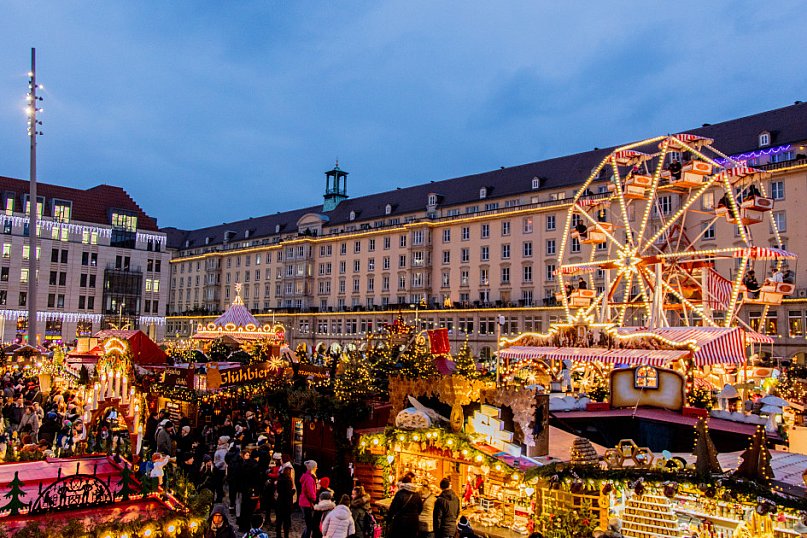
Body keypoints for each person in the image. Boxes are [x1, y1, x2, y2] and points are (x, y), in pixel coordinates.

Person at [388, 474, 423, 538]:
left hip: (401, 522)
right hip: (413, 522)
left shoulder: (400, 494)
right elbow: (420, 508)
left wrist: (389, 519)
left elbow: (393, 508)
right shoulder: (416, 495)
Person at [300, 460, 319, 538]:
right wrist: (314, 499)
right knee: (309, 525)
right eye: (316, 467)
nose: (316, 468)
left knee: (309, 524)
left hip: (304, 502)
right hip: (306, 503)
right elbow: (310, 492)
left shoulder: (306, 476)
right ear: (313, 468)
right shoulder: (310, 479)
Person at [275, 466, 295, 538]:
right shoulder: (288, 480)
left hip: (280, 501)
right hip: (286, 503)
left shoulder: (279, 479)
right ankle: (286, 535)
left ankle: (278, 535)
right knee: (286, 521)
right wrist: (293, 491)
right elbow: (288, 493)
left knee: (279, 520)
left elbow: (278, 490)